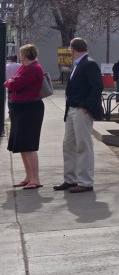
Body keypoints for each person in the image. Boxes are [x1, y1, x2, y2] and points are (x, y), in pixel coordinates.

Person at [56, 37, 103, 193]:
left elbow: (97, 87)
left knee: (83, 145)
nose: (70, 51)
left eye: (70, 49)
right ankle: (71, 179)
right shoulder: (77, 64)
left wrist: (87, 106)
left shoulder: (89, 63)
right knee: (68, 145)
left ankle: (85, 181)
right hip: (72, 110)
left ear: (73, 49)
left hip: (82, 110)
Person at [4, 44, 46, 189]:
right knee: (22, 145)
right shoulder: (24, 67)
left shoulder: (33, 69)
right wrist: (10, 82)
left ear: (24, 55)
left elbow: (14, 84)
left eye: (21, 54)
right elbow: (13, 80)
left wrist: (9, 83)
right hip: (20, 110)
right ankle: (29, 176)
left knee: (29, 145)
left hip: (30, 110)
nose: (20, 56)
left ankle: (36, 179)